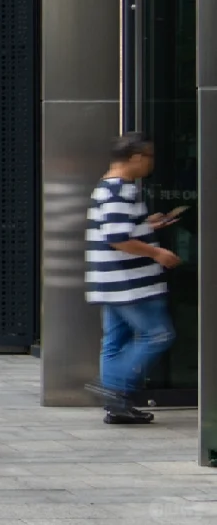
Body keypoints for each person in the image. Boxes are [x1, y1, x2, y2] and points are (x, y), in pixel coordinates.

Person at [86, 133, 181, 425]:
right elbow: (117, 238)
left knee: (114, 341)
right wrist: (157, 253)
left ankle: (118, 406)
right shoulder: (121, 190)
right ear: (136, 157)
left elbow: (117, 229)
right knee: (159, 334)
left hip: (110, 282)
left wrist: (147, 224)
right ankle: (115, 391)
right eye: (149, 156)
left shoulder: (106, 187)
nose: (151, 163)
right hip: (129, 283)